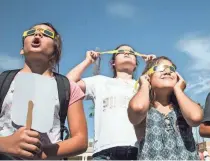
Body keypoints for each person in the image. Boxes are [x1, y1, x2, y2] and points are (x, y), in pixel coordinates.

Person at [0, 23, 88, 159]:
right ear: (22, 49)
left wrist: (42, 154)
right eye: (31, 32)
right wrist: (5, 144)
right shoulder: (3, 80)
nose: (37, 34)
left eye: (46, 34)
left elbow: (80, 140)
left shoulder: (68, 87)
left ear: (55, 51)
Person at [67, 44, 155, 160]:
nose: (127, 53)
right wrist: (88, 61)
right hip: (104, 154)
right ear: (113, 63)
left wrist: (154, 65)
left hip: (139, 153)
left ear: (135, 64)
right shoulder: (99, 82)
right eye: (121, 51)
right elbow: (67, 84)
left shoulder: (143, 86)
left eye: (131, 52)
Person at [128, 56, 203, 160]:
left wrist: (178, 90)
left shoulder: (183, 107)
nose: (167, 72)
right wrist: (144, 84)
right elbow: (138, 108)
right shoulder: (145, 109)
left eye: (171, 69)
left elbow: (196, 118)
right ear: (148, 76)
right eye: (159, 68)